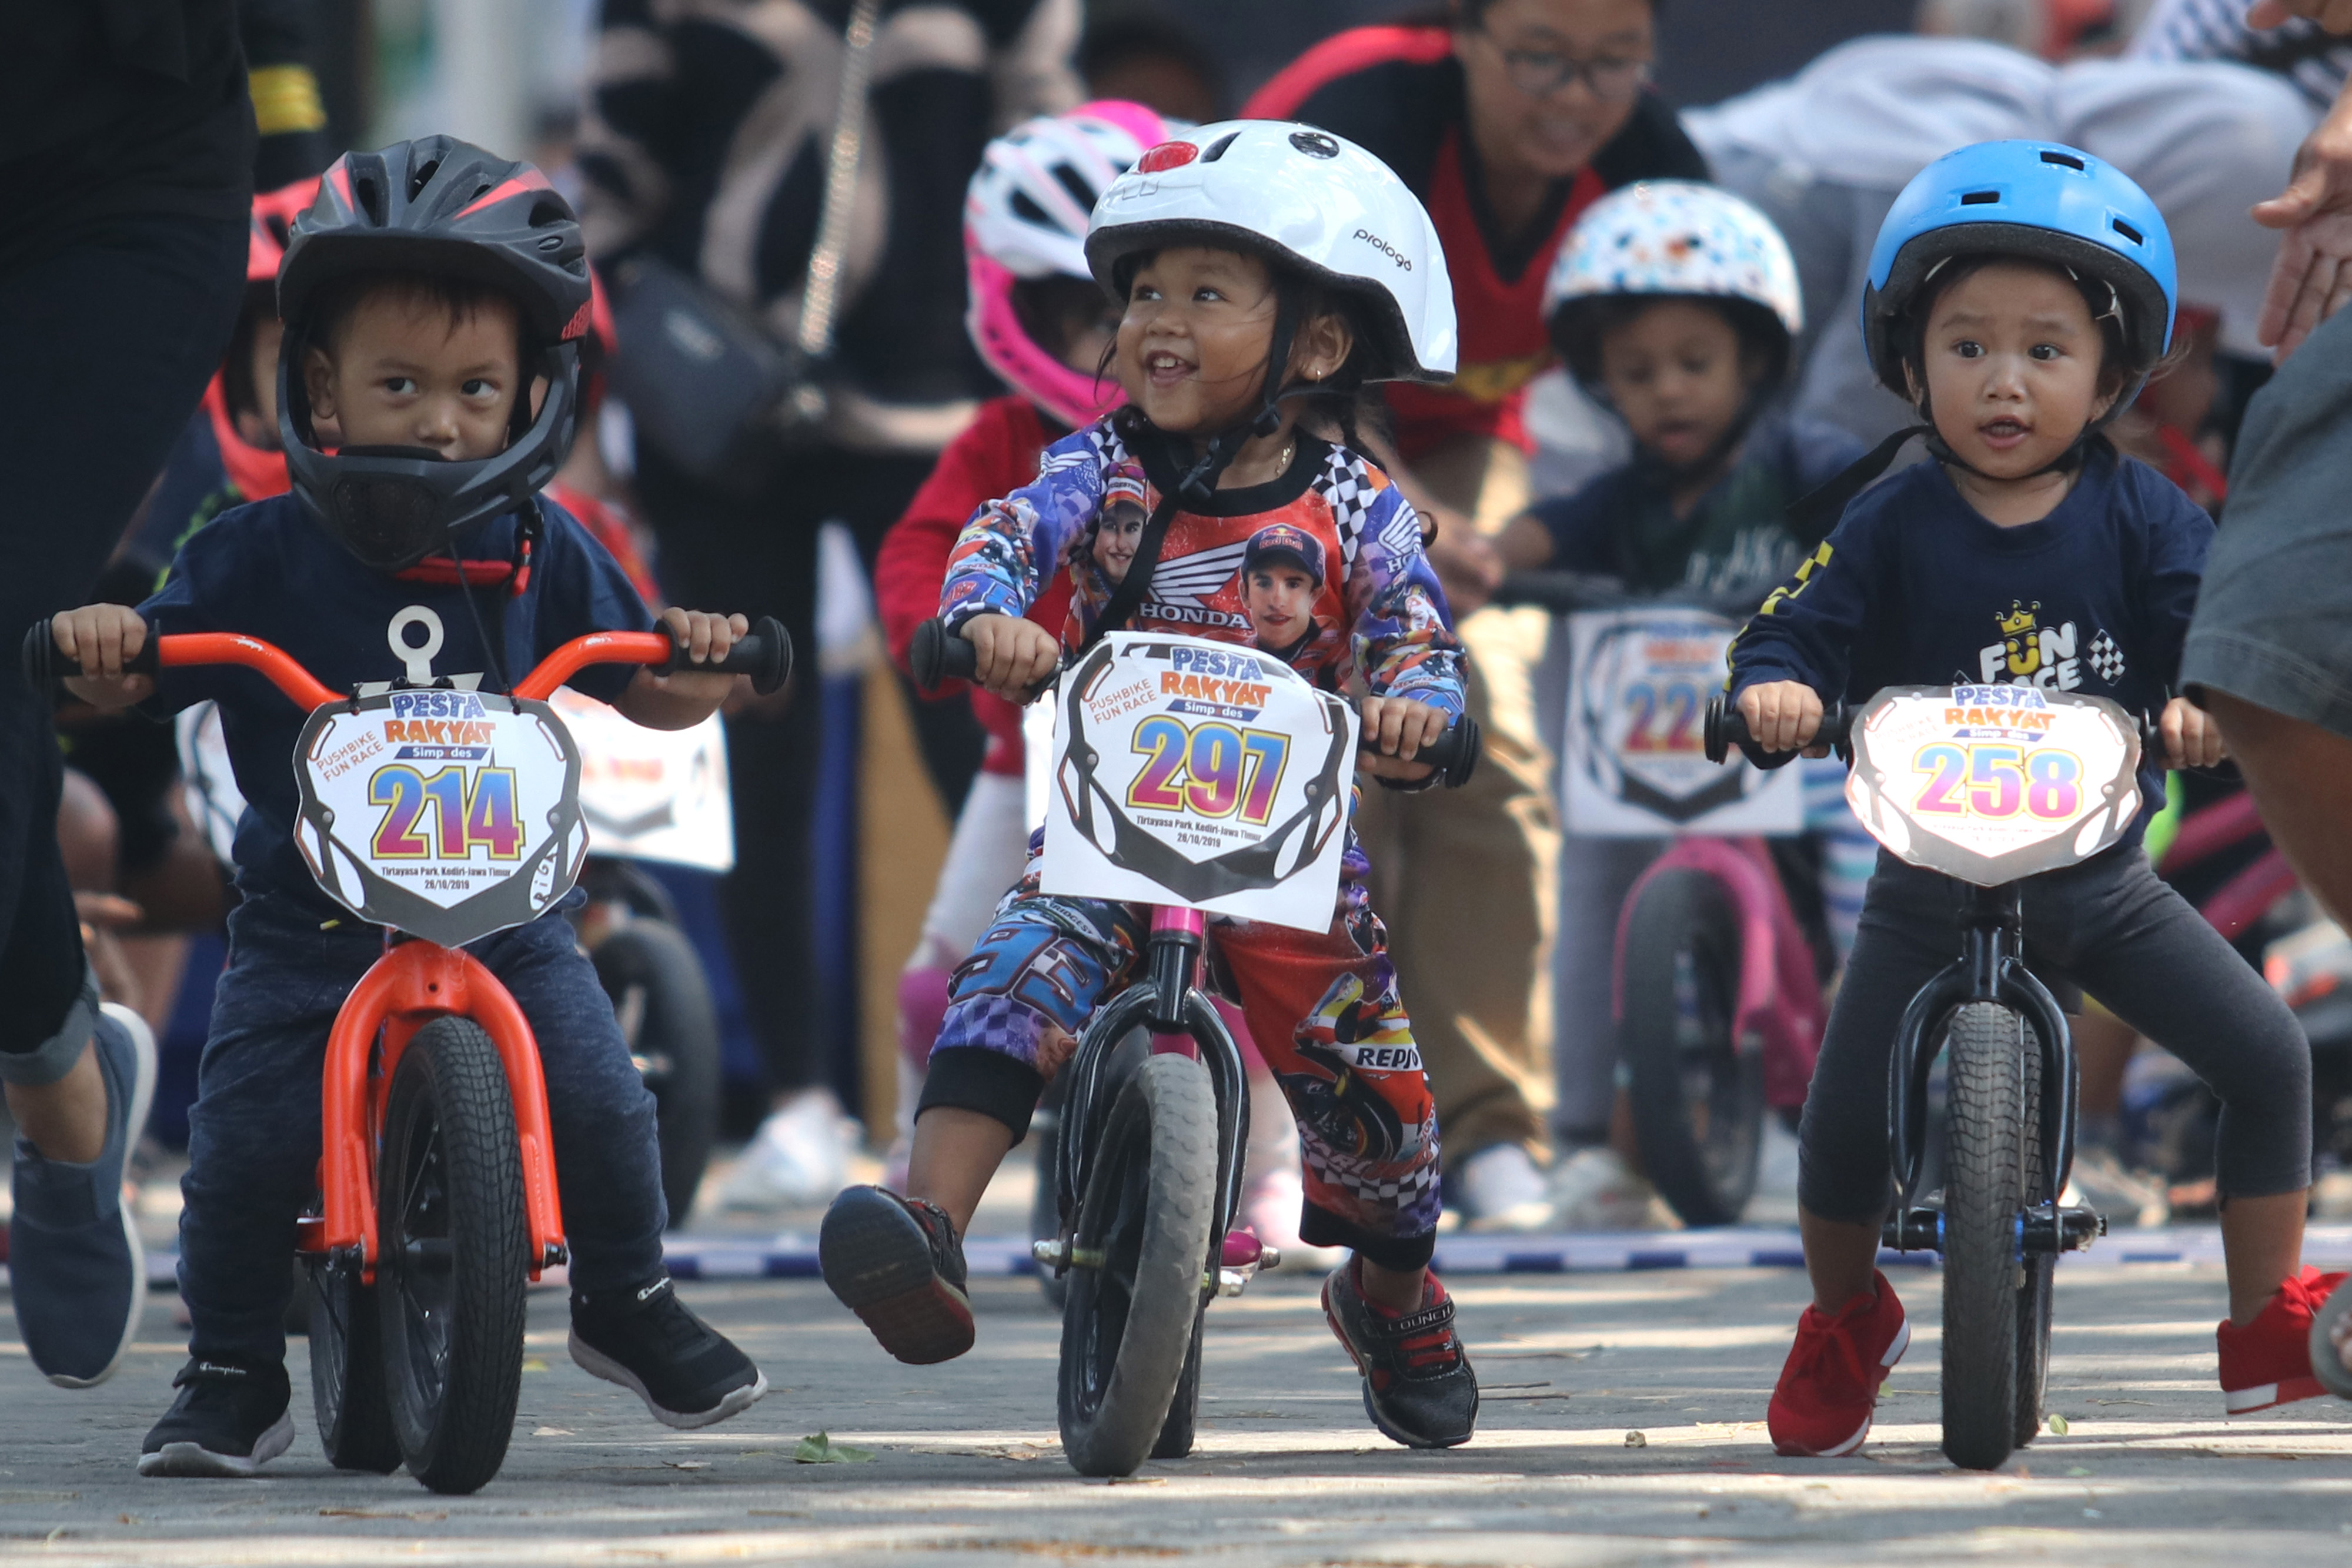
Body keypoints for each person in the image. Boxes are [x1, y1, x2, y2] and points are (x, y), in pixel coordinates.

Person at [48, 140, 767, 1476]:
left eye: (474, 389)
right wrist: (107, 647)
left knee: (607, 1097)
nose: (438, 418)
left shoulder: (546, 546)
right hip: (310, 918)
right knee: (245, 1133)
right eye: (399, 384)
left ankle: (629, 1301)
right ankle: (229, 1369)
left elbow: (645, 684)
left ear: (530, 397)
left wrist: (700, 664)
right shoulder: (253, 551)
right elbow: (139, 676)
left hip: (508, 911)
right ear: (319, 385)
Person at [820, 121, 1482, 1449]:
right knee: (1014, 972)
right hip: (1110, 824)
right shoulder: (1096, 466)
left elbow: (1413, 622)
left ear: (1312, 343)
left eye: (1203, 292)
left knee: (1375, 1091)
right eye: (1140, 292)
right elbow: (1001, 535)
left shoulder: (1357, 508)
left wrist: (1422, 704)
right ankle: (927, 1225)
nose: (1155, 322)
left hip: (1287, 852)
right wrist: (988, 615)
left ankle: (1393, 1291)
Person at [1725, 141, 2324, 1457]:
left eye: (2045, 351)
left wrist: (2200, 703)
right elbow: (1790, 626)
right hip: (1922, 884)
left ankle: (2259, 1323)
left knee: (2267, 1056)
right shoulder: (1885, 517)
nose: (2002, 379)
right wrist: (1770, 686)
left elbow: (2211, 633)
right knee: (1836, 1132)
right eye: (1966, 346)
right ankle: (1842, 1314)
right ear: (1908, 363)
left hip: (2098, 882)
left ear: (2113, 375)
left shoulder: (2149, 517)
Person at [577, 0, 1083, 1206]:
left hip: (932, 400)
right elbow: (607, 185)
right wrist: (588, 403)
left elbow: (1045, 165)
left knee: (979, 722)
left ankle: (1047, 1050)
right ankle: (798, 1097)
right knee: (754, 733)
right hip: (718, 400)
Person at [1242, 0, 1709, 1225]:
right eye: (1542, 57)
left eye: (1614, 63)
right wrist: (1409, 527)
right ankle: (1274, 1125)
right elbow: (1272, 342)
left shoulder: (1644, 157)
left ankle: (1486, 1122)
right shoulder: (1362, 108)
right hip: (1276, 436)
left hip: (1464, 460)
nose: (1575, 94)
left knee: (1478, 740)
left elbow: (1703, 348)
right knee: (1312, 763)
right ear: (1463, 34)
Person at [1495, 181, 1876, 1226]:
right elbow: (1538, 537)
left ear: (1756, 360)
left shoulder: (1803, 465)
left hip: (1808, 748)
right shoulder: (1619, 499)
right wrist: (1479, 560)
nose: (1667, 391)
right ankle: (1633, 1143)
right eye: (1638, 372)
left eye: (1694, 364)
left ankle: (1882, 1019)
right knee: (1636, 929)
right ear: (1603, 384)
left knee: (1864, 873)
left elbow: (1881, 522)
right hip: (1666, 752)